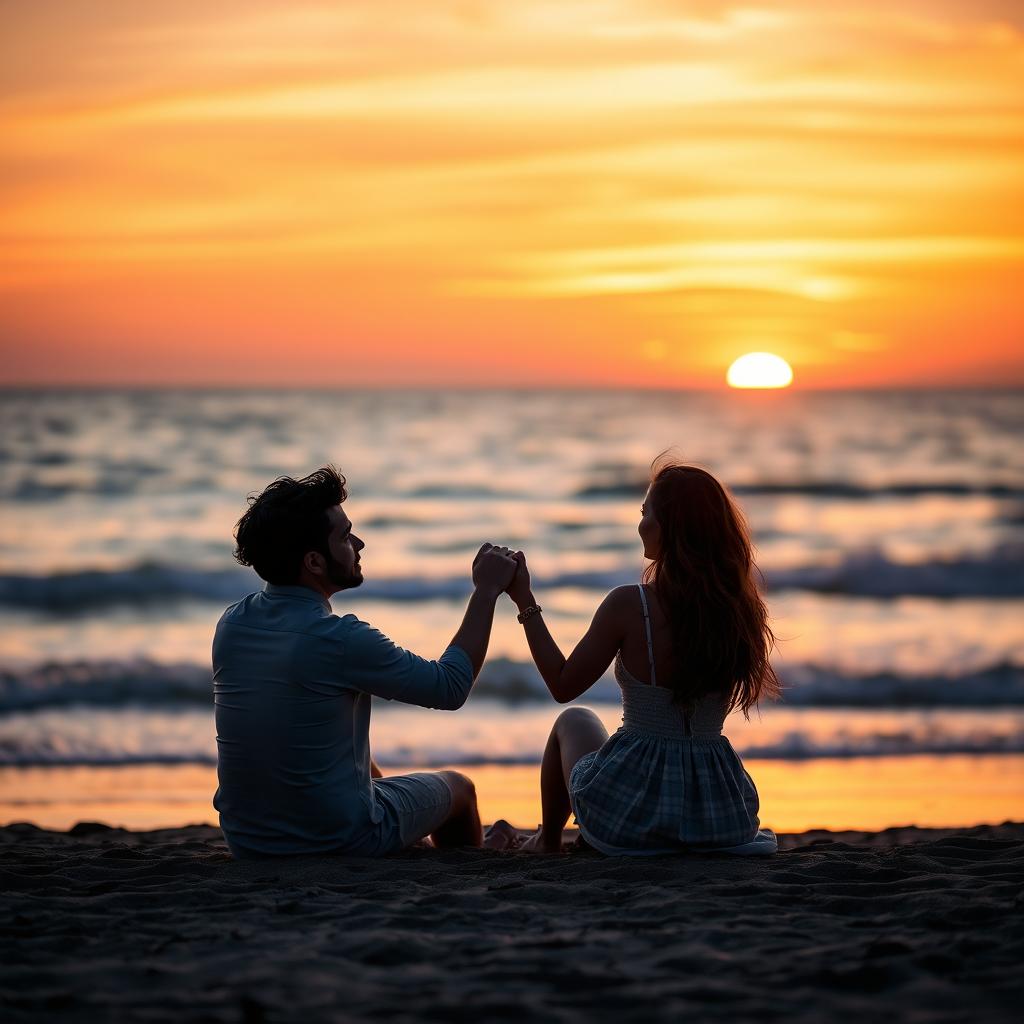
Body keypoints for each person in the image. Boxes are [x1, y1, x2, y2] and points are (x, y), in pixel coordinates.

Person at [212, 466, 518, 858]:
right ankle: (468, 866)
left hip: (248, 840)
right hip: (335, 838)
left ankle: (410, 839)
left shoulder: (233, 623)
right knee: (460, 788)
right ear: (314, 563)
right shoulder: (339, 639)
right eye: (344, 536)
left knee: (346, 752)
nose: (359, 543)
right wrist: (487, 591)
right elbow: (450, 687)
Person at [507, 459, 780, 856]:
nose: (640, 524)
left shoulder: (631, 605)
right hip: (717, 813)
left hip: (632, 814)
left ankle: (548, 842)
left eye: (645, 513)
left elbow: (563, 685)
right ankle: (548, 840)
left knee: (574, 719)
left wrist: (524, 600)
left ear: (670, 526)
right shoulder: (739, 611)